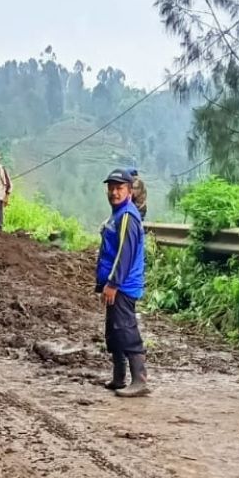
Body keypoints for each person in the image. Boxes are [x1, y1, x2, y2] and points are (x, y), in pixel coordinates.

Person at [96, 168, 149, 397]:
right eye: (111, 188)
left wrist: (113, 284)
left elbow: (124, 255)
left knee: (125, 330)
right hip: (114, 284)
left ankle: (140, 380)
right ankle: (119, 377)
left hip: (123, 286)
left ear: (129, 191)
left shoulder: (127, 216)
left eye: (119, 188)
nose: (114, 192)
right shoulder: (117, 214)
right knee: (114, 332)